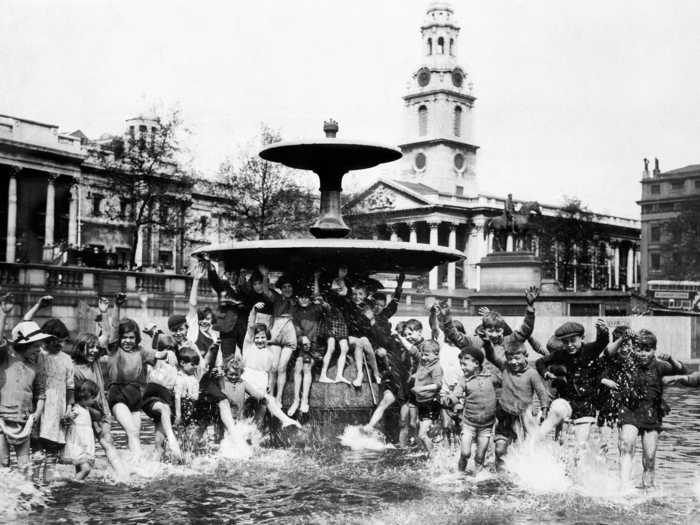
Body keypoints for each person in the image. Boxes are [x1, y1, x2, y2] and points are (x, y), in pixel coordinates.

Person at [612, 329, 686, 489]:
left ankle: (648, 489)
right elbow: (609, 356)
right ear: (633, 349)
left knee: (650, 458)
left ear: (654, 350)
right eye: (639, 349)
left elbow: (681, 371)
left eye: (648, 350)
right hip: (630, 411)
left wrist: (672, 360)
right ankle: (623, 487)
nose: (643, 354)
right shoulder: (627, 363)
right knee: (626, 445)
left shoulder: (659, 366)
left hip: (652, 414)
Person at [535, 319, 610, 448]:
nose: (569, 345)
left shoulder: (589, 350)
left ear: (582, 338)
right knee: (561, 441)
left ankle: (578, 465)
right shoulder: (560, 354)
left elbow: (602, 343)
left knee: (581, 445)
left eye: (573, 340)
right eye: (565, 342)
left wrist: (603, 332)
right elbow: (540, 362)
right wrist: (546, 374)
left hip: (586, 404)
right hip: (566, 401)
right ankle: (535, 439)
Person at [485, 344, 550, 470]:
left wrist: (545, 410)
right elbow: (491, 356)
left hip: (523, 417)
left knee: (524, 449)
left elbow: (542, 393)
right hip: (504, 415)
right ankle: (500, 474)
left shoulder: (532, 374)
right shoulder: (505, 368)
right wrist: (487, 343)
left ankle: (522, 473)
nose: (513, 362)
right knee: (499, 449)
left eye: (517, 358)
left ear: (526, 356)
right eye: (510, 358)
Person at [0, 314, 49, 475]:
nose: (39, 350)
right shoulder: (6, 358)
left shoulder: (35, 367)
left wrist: (37, 413)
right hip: (1, 419)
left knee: (24, 466)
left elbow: (41, 394)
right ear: (25, 345)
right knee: (2, 463)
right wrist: (3, 313)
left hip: (24, 420)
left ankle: (24, 498)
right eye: (36, 346)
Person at [72, 333, 126, 477]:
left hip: (103, 412)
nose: (95, 350)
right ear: (80, 347)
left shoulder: (94, 362)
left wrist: (104, 313)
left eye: (96, 347)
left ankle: (119, 475)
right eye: (90, 347)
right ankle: (79, 480)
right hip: (87, 415)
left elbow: (107, 336)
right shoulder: (74, 369)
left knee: (108, 442)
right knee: (84, 451)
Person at [442, 347, 498, 474]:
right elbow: (456, 393)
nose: (462, 367)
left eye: (464, 364)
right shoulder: (464, 380)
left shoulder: (491, 377)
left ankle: (477, 479)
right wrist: (450, 400)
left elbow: (504, 385)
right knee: (465, 453)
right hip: (469, 424)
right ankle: (460, 474)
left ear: (476, 364)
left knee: (480, 456)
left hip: (486, 426)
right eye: (461, 364)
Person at [260, 268, 298, 404]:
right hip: (276, 333)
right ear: (281, 288)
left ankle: (279, 397)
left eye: (290, 286)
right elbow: (265, 291)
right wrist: (265, 276)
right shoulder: (276, 297)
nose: (287, 289)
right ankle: (270, 394)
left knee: (282, 367)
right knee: (274, 366)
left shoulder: (297, 301)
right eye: (285, 286)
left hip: (289, 334)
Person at [141, 334, 182, 460]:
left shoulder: (177, 369)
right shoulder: (154, 361)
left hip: (167, 402)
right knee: (164, 409)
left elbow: (178, 394)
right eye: (166, 350)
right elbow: (146, 356)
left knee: (159, 444)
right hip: (151, 398)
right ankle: (172, 439)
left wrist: (179, 414)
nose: (169, 353)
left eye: (172, 350)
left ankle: (155, 466)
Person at [289, 278, 324, 416]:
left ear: (310, 299)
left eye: (306, 297)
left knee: (307, 367)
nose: (303, 300)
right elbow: (295, 327)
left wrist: (315, 278)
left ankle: (304, 400)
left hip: (314, 345)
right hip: (300, 344)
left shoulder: (316, 309)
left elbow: (317, 296)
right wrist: (301, 337)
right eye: (301, 297)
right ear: (297, 298)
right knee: (298, 366)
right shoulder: (295, 311)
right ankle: (295, 400)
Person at [409, 339, 443, 454]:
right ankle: (431, 453)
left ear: (436, 354)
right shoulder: (424, 363)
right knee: (423, 432)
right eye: (423, 354)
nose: (423, 357)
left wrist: (420, 389)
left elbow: (438, 385)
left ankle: (434, 458)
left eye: (426, 355)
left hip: (431, 403)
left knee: (422, 434)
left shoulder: (436, 367)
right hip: (422, 402)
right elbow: (413, 351)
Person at [318, 267, 351, 384]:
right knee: (331, 348)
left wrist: (342, 281)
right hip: (332, 319)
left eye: (345, 271)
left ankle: (339, 375)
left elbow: (344, 293)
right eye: (342, 270)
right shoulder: (333, 288)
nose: (343, 272)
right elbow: (336, 295)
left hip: (340, 320)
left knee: (344, 348)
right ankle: (323, 374)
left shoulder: (344, 286)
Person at [62, 380, 99, 480]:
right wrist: (69, 417)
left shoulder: (86, 409)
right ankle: (73, 483)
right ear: (84, 397)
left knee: (80, 468)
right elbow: (68, 418)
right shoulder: (77, 409)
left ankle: (77, 483)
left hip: (84, 444)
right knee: (86, 469)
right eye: (93, 397)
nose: (95, 400)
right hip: (78, 444)